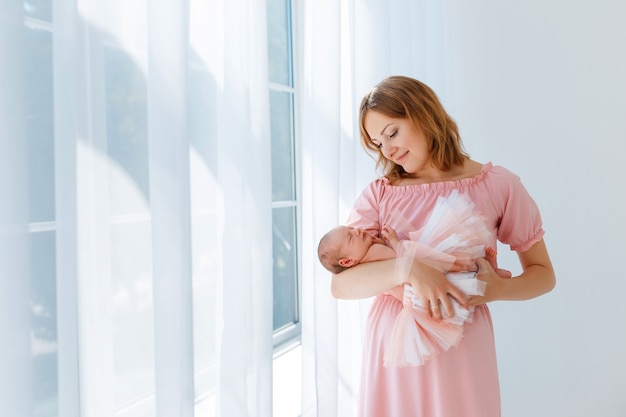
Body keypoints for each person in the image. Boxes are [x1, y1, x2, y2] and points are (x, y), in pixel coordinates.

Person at [330, 75, 556, 417]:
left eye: (392, 132)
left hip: (462, 346)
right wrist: (409, 269)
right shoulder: (380, 194)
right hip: (395, 351)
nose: (387, 150)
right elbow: (341, 283)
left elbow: (543, 275)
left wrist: (496, 289)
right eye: (378, 143)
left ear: (424, 114)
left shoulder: (498, 186)